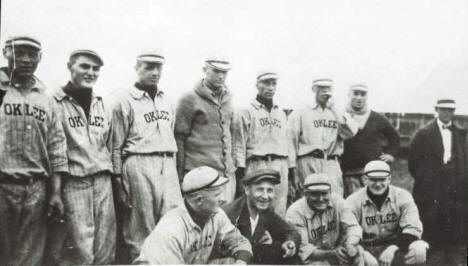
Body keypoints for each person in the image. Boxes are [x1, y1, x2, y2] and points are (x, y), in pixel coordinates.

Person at [0, 36, 68, 266]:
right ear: (6, 53)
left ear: (40, 57)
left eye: (32, 54)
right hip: (3, 185)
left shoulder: (45, 99)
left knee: (29, 258)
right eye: (19, 53)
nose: (26, 60)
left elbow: (57, 146)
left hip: (36, 189)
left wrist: (56, 192)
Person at [111, 51, 183, 260]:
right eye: (148, 67)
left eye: (158, 67)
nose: (154, 72)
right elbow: (116, 145)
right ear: (136, 67)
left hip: (167, 162)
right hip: (138, 162)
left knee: (172, 222)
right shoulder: (123, 99)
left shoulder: (167, 101)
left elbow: (171, 135)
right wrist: (118, 182)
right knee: (141, 229)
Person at [46, 50, 116, 265]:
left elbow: (110, 144)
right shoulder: (54, 102)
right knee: (80, 251)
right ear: (70, 67)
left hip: (103, 182)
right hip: (74, 182)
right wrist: (55, 191)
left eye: (96, 69)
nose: (91, 72)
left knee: (106, 249)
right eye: (85, 67)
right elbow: (53, 150)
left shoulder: (102, 103)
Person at [135, 166, 253, 265]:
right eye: (217, 195)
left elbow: (239, 242)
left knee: (231, 262)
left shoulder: (215, 214)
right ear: (199, 200)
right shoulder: (171, 229)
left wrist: (241, 262)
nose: (224, 199)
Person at [408, 98, 467, 265]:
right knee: (431, 217)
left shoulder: (460, 133)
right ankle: (430, 250)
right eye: (443, 110)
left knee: (453, 217)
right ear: (437, 110)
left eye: (450, 110)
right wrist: (426, 178)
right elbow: (413, 162)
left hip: (454, 182)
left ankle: (450, 252)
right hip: (431, 184)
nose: (447, 113)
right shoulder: (424, 133)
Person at [232, 71, 295, 215]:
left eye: (274, 84)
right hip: (256, 163)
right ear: (257, 85)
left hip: (279, 164)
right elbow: (239, 144)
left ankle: (278, 238)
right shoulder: (246, 111)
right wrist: (241, 174)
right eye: (266, 83)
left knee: (278, 209)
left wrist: (291, 173)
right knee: (254, 208)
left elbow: (287, 144)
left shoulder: (280, 113)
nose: (270, 87)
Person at [175, 57, 236, 204]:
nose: (220, 76)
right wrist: (181, 176)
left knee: (225, 221)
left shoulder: (229, 99)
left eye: (224, 72)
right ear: (205, 70)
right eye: (216, 71)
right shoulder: (189, 99)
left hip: (226, 177)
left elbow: (231, 135)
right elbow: (179, 138)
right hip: (200, 177)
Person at [346, 160, 428, 266]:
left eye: (382, 179)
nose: (378, 184)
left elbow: (413, 229)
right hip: (366, 248)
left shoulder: (402, 196)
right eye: (373, 180)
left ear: (389, 179)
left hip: (394, 247)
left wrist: (392, 248)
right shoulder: (353, 201)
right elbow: (347, 234)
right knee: (357, 255)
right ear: (365, 179)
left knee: (419, 249)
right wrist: (363, 253)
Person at [290, 79, 358, 197]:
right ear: (313, 89)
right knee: (308, 200)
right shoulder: (301, 111)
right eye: (321, 88)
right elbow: (291, 142)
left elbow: (350, 133)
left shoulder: (337, 112)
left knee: (334, 200)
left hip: (331, 162)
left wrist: (334, 110)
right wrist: (293, 172)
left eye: (328, 88)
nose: (325, 91)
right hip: (307, 161)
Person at [222, 169, 300, 264]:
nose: (265, 196)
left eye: (270, 190)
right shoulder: (231, 213)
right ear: (247, 190)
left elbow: (289, 231)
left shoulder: (266, 211)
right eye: (260, 190)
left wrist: (290, 242)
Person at [286, 173, 364, 265]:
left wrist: (350, 244)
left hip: (337, 252)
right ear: (305, 194)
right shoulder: (295, 211)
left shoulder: (338, 201)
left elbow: (353, 227)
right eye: (314, 194)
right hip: (312, 260)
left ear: (330, 192)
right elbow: (304, 249)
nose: (320, 199)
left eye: (324, 193)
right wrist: (332, 254)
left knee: (360, 254)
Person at [342, 84, 400, 197]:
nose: (359, 98)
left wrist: (390, 154)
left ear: (366, 97)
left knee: (374, 201)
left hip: (373, 172)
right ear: (349, 95)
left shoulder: (376, 118)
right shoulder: (341, 117)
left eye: (363, 94)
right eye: (355, 94)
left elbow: (394, 137)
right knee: (353, 204)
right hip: (349, 172)